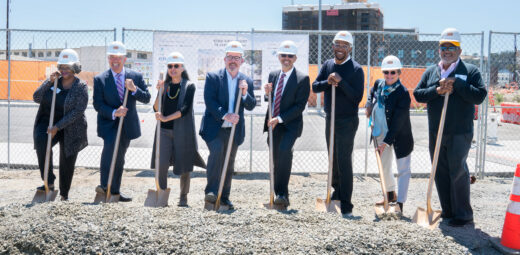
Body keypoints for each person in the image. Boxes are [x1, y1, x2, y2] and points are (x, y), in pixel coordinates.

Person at [414, 28, 487, 227]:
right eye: (443, 47)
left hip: (460, 132)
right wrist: (437, 90)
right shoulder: (431, 71)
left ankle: (463, 215)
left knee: (458, 171)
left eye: (451, 47)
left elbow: (480, 96)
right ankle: (448, 211)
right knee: (440, 171)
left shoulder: (469, 71)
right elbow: (418, 94)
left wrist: (458, 85)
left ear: (459, 50)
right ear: (439, 49)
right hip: (436, 131)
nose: (447, 51)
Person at [312, 31, 365, 216]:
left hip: (347, 120)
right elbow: (315, 86)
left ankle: (347, 203)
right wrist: (328, 81)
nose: (340, 48)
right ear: (333, 46)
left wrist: (341, 82)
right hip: (330, 118)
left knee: (344, 160)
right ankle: (337, 192)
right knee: (332, 158)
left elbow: (357, 97)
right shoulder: (328, 65)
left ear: (350, 48)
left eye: (344, 45)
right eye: (337, 44)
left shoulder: (356, 69)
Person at [199, 41, 256, 209]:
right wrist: (226, 115)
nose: (233, 60)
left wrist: (245, 93)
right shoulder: (213, 77)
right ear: (224, 59)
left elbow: (251, 105)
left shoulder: (247, 81)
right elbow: (210, 101)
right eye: (230, 57)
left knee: (229, 162)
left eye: (237, 58)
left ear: (242, 61)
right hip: (214, 127)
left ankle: (224, 196)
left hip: (234, 130)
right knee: (216, 153)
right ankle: (211, 193)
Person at [93, 41, 151, 202]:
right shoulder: (100, 79)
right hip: (109, 122)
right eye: (112, 57)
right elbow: (97, 104)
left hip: (127, 125)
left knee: (120, 157)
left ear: (125, 59)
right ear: (108, 59)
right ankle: (104, 186)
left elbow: (146, 98)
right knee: (109, 151)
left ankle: (115, 191)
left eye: (118, 57)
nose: (115, 60)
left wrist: (134, 89)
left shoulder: (135, 77)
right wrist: (114, 112)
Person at [150, 52, 206, 207]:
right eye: (170, 66)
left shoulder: (189, 86)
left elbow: (185, 109)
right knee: (161, 164)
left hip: (183, 132)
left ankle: (183, 196)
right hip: (164, 132)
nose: (173, 69)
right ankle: (161, 193)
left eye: (176, 66)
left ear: (182, 68)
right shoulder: (165, 86)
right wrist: (159, 91)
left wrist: (166, 118)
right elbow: (155, 107)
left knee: (184, 164)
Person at [33, 49, 88, 201]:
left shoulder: (80, 87)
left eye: (68, 67)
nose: (64, 70)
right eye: (61, 67)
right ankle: (48, 181)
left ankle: (64, 193)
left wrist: (58, 126)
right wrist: (48, 82)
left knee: (67, 158)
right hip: (49, 122)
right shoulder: (53, 82)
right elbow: (36, 97)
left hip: (71, 126)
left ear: (75, 68)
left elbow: (78, 111)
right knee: (41, 141)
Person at [263, 40, 310, 207]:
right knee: (275, 158)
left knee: (284, 152)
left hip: (290, 124)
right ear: (279, 56)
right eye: (283, 55)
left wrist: (280, 118)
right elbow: (269, 100)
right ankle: (279, 194)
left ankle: (282, 193)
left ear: (295, 58)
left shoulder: (302, 79)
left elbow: (299, 106)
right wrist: (267, 93)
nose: (286, 59)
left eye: (290, 56)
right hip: (273, 124)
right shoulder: (273, 75)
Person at [366, 55, 413, 212]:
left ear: (399, 73)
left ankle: (400, 203)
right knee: (384, 166)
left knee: (403, 169)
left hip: (400, 135)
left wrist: (386, 142)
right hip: (380, 132)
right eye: (386, 72)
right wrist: (368, 105)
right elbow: (371, 93)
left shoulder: (403, 93)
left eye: (393, 72)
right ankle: (390, 194)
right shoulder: (379, 84)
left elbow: (398, 123)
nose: (389, 75)